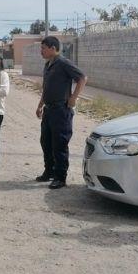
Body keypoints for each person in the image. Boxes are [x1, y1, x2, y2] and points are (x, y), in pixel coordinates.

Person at [35, 36, 87, 189]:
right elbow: (46, 89)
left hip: (61, 110)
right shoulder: (48, 65)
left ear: (52, 48)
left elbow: (82, 78)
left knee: (59, 144)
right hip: (49, 110)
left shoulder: (63, 63)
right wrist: (39, 106)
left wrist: (73, 98)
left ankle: (60, 177)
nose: (41, 51)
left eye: (43, 48)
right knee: (46, 142)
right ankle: (49, 171)